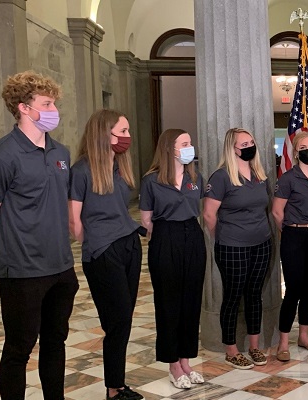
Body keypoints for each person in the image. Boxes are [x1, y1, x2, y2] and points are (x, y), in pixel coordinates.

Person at [0, 71, 79, 400]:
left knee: (55, 342)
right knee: (19, 349)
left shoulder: (61, 153)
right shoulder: (0, 157)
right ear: (24, 107)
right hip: (22, 273)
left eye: (54, 103)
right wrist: (12, 250)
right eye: (46, 103)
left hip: (60, 267)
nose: (53, 110)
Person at [69, 109, 144, 400]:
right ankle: (114, 389)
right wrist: (97, 241)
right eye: (122, 131)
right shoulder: (81, 170)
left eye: (127, 131)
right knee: (117, 319)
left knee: (124, 318)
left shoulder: (119, 166)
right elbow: (73, 220)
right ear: (104, 134)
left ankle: (118, 384)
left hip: (129, 243)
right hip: (102, 250)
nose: (127, 137)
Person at [139, 129, 206, 388]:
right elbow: (146, 219)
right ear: (170, 148)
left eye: (190, 143)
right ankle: (173, 365)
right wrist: (167, 238)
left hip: (193, 235)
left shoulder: (195, 177)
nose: (190, 147)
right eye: (185, 143)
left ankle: (186, 360)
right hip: (166, 236)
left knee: (191, 301)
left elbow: (197, 208)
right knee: (169, 303)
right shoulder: (152, 181)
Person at [203, 128, 273, 369]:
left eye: (251, 142)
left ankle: (254, 346)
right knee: (233, 297)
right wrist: (222, 237)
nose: (249, 146)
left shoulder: (259, 174)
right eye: (244, 143)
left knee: (255, 294)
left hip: (261, 242)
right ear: (232, 148)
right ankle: (231, 349)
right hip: (232, 246)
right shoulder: (221, 177)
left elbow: (263, 208)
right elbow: (209, 215)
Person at [272, 132, 308, 361]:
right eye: (303, 146)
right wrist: (290, 231)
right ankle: (283, 342)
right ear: (296, 152)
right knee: (294, 288)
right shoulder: (287, 179)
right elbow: (277, 212)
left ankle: (304, 336)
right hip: (293, 234)